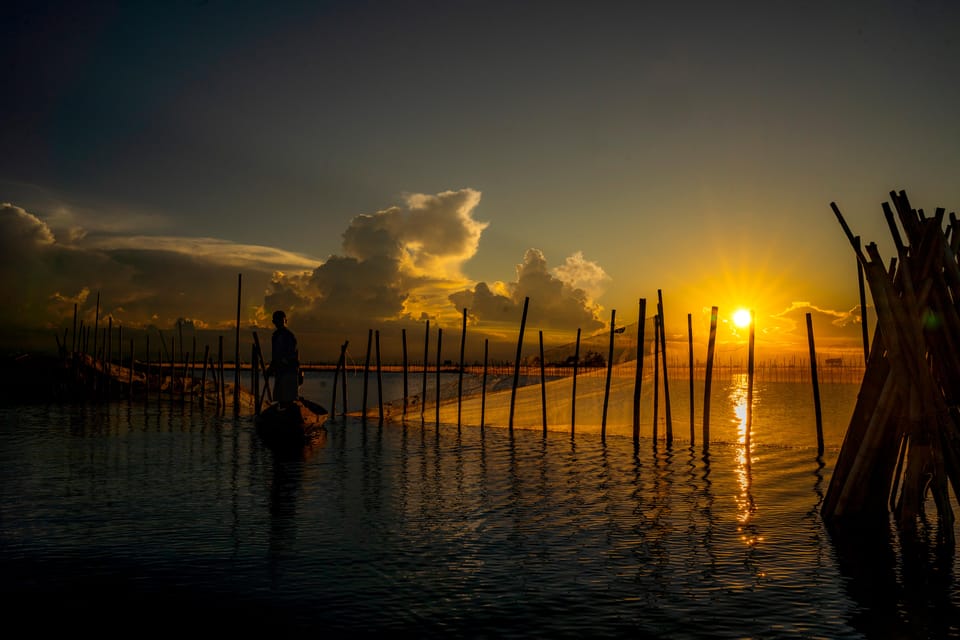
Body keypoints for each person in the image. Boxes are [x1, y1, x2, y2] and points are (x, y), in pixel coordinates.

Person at [267, 310, 300, 407]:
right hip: (280, 372)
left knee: (288, 400)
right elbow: (275, 356)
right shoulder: (275, 336)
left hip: (289, 372)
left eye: (281, 320)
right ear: (273, 322)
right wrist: (271, 368)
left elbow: (290, 355)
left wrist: (281, 362)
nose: (279, 323)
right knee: (279, 400)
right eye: (277, 321)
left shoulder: (289, 336)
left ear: (286, 321)